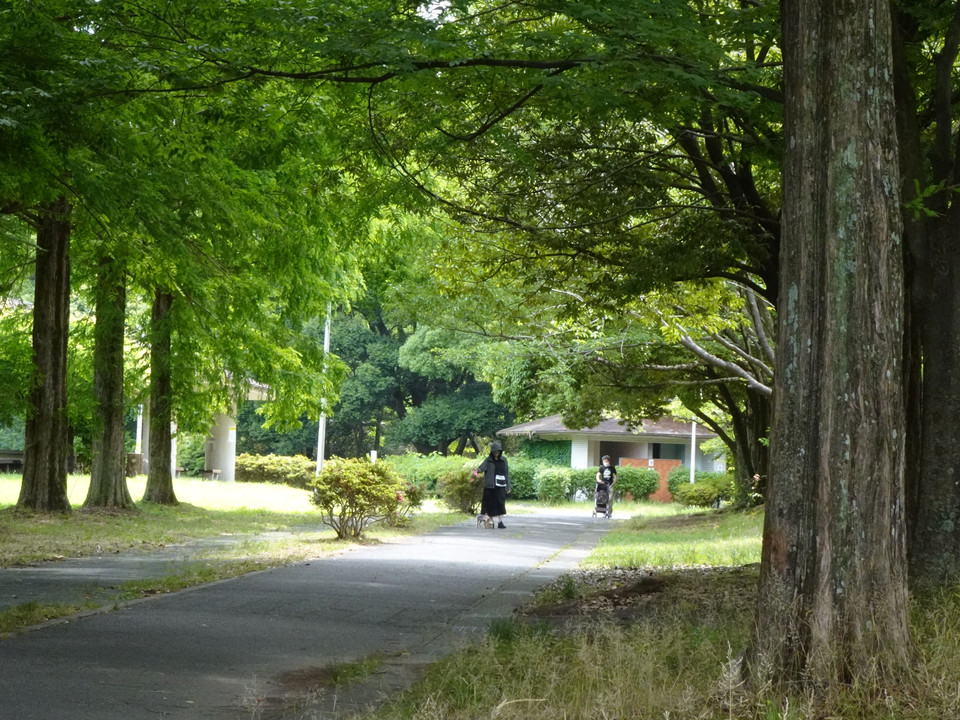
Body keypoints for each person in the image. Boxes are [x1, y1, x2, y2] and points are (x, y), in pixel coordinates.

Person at [476, 441, 511, 528]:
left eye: (498, 452)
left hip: (501, 486)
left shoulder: (504, 460)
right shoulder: (488, 461)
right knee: (490, 505)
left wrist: (508, 485)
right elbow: (482, 468)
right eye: (495, 452)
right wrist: (477, 470)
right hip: (490, 486)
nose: (496, 454)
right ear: (492, 452)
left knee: (501, 504)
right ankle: (490, 520)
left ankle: (500, 522)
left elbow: (506, 473)